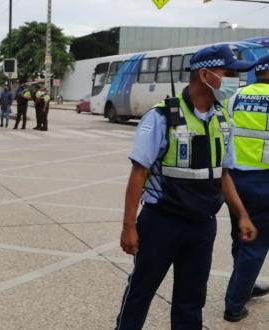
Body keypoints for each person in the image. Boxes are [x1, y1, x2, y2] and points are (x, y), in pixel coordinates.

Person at [115, 45, 258, 330]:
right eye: (228, 73)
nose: (234, 80)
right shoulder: (162, 116)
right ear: (205, 74)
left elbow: (224, 174)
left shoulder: (222, 119)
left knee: (191, 300)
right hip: (161, 223)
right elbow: (138, 173)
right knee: (141, 292)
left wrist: (241, 214)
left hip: (202, 226)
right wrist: (129, 226)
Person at [222, 54, 269, 322]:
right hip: (264, 181)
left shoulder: (235, 97)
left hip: (234, 180)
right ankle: (235, 305)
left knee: (241, 235)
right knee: (256, 243)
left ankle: (245, 284)